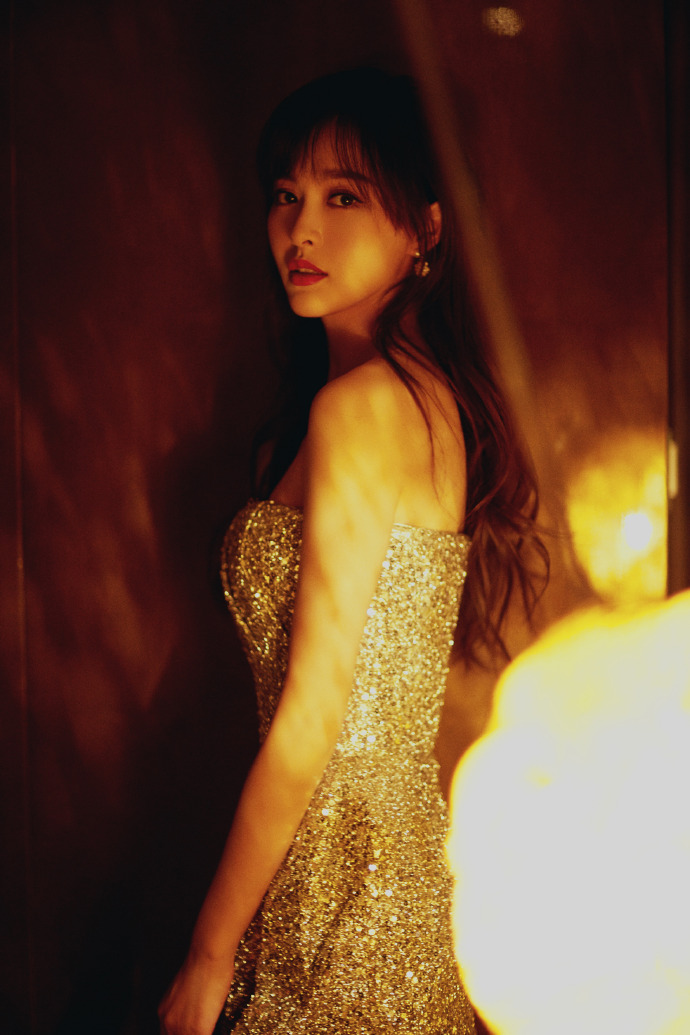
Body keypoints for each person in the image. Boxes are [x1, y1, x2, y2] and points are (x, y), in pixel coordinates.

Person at [158, 67, 547, 1035]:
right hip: (351, 865)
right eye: (285, 195)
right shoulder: (397, 398)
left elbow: (313, 717)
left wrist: (207, 957)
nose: (301, 231)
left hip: (351, 888)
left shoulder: (364, 409)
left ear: (425, 229)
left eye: (343, 197)